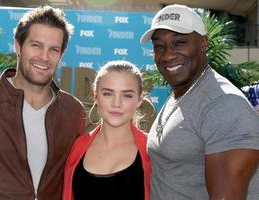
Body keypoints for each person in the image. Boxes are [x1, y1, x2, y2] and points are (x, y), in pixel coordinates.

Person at [0, 6, 86, 199]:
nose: (44, 57)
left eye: (53, 49)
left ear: (61, 54)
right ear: (18, 46)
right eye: (36, 45)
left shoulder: (73, 113)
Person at [140, 4, 259, 200]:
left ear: (203, 43)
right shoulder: (184, 91)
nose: (168, 54)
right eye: (159, 46)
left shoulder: (224, 104)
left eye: (179, 43)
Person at [62, 60, 151, 200]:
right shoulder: (77, 148)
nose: (116, 104)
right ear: (95, 95)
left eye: (127, 95)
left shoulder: (152, 151)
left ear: (139, 99)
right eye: (108, 94)